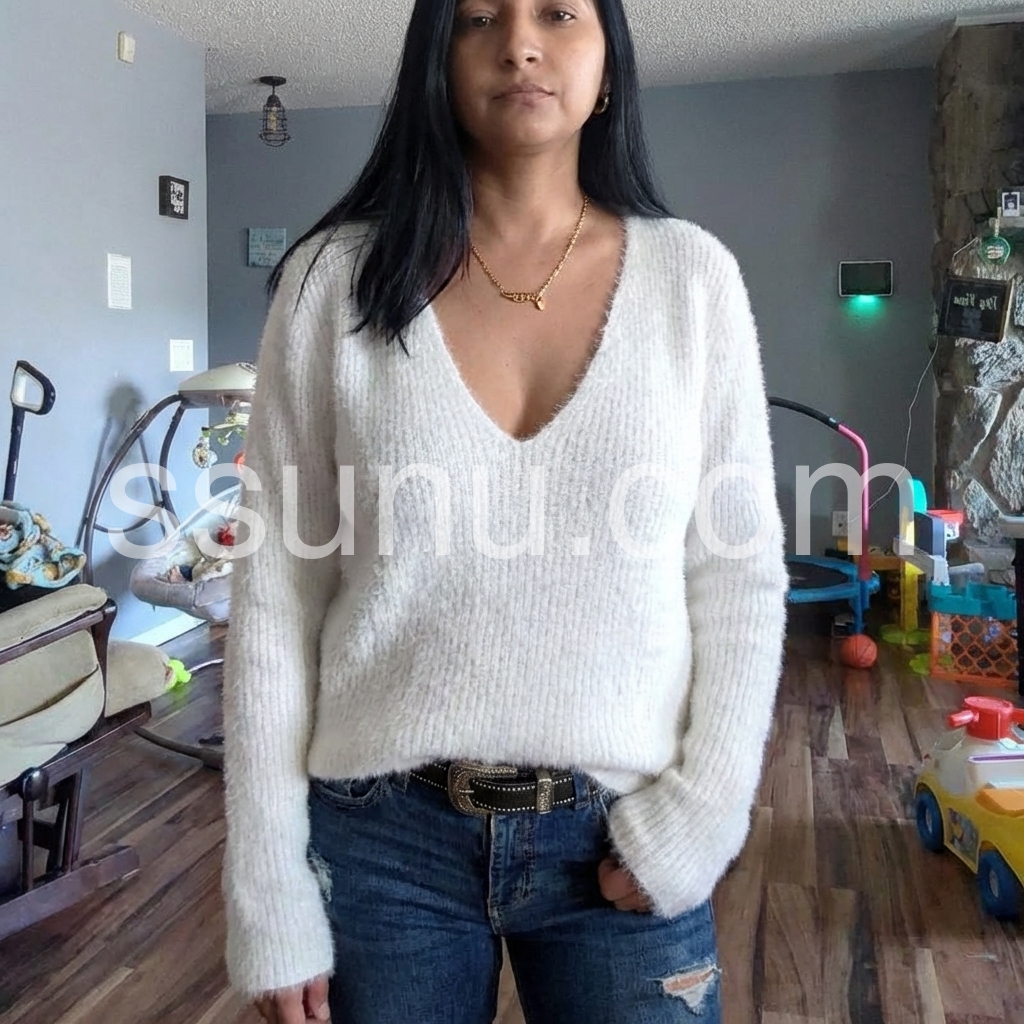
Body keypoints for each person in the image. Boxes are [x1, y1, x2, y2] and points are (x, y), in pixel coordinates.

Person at [220, 0, 788, 1022]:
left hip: (622, 833)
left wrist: (705, 816)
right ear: (436, 61)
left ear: (607, 61)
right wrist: (267, 889)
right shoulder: (331, 283)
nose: (519, 42)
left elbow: (737, 575)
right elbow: (275, 595)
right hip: (379, 846)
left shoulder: (691, 279)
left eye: (558, 13)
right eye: (479, 16)